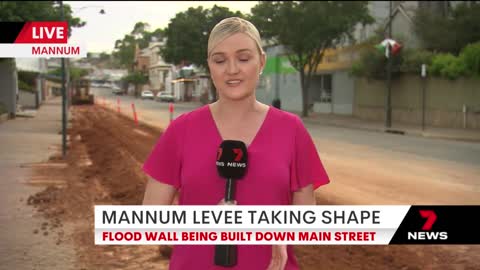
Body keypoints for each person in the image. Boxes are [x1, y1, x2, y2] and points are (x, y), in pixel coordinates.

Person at [142, 17, 330, 270]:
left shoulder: (291, 130)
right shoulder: (181, 130)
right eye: (220, 60)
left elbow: (307, 221)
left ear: (261, 61)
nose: (232, 69)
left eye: (243, 58)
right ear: (210, 65)